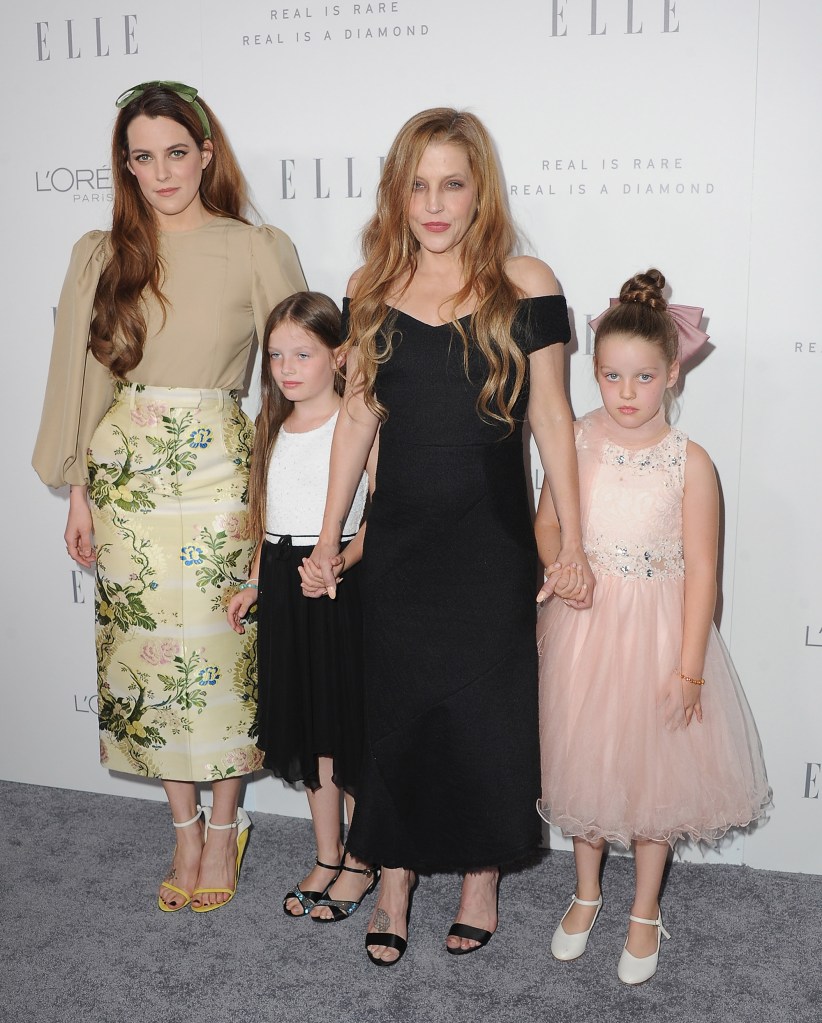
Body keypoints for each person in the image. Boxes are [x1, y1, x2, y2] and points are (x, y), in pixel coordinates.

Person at [308, 107, 593, 966]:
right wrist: (330, 538)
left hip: (492, 537)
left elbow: (552, 420)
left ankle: (480, 874)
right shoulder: (368, 286)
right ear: (399, 193)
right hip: (400, 540)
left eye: (452, 184)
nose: (434, 204)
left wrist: (569, 542)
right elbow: (357, 419)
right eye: (418, 185)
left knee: (484, 711)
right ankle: (392, 876)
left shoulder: (527, 282)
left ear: (480, 192)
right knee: (396, 710)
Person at [32, 81, 306, 913]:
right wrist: (79, 491)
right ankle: (183, 827)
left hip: (222, 468)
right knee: (144, 656)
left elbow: (292, 380)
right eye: (143, 156)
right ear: (127, 164)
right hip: (126, 476)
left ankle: (227, 827)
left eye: (177, 152)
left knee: (223, 650)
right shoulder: (99, 251)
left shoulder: (255, 246)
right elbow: (77, 380)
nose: (162, 171)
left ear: (207, 153)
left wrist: (286, 487)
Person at [536, 270, 770, 984]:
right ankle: (585, 893)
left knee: (650, 777)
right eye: (611, 375)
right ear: (595, 373)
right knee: (584, 763)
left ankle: (643, 908)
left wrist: (691, 666)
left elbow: (704, 573)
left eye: (642, 376)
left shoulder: (690, 462)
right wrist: (564, 564)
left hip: (660, 638)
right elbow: (546, 525)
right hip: (583, 626)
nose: (627, 392)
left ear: (672, 372)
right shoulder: (573, 439)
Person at [226, 291, 379, 922]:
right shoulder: (272, 426)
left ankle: (365, 860)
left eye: (303, 354)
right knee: (311, 729)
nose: (287, 368)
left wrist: (341, 560)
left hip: (340, 580)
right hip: (287, 582)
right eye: (276, 356)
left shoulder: (358, 419)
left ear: (339, 356)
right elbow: (269, 520)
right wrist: (258, 582)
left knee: (348, 727)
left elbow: (380, 513)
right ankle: (327, 853)